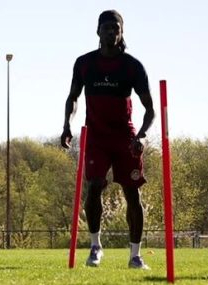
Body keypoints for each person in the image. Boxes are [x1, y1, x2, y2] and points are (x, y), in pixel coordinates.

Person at [61, 10, 155, 269]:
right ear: (98, 31)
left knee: (132, 194)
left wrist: (142, 136)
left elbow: (150, 109)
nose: (111, 32)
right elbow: (73, 98)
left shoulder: (132, 66)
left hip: (125, 138)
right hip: (96, 137)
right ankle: (95, 247)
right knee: (93, 187)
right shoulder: (84, 63)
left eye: (116, 28)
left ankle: (135, 256)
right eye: (107, 28)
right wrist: (67, 125)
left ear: (121, 32)